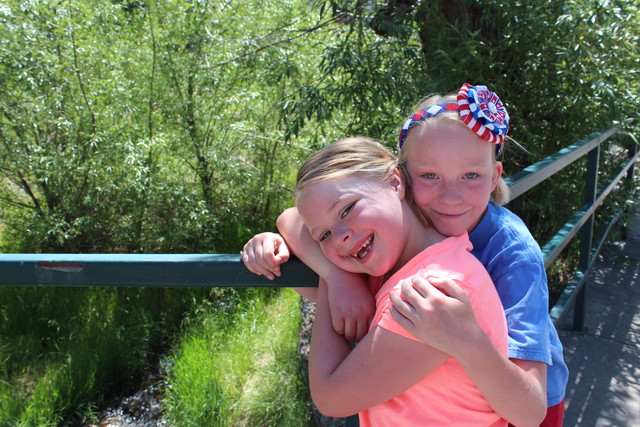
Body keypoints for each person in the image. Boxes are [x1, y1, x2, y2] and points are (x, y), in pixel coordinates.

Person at [242, 83, 564, 426]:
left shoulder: (509, 251)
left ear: (493, 178)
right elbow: (296, 218)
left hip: (526, 390)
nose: (450, 197)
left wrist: (469, 341)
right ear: (403, 179)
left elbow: (531, 406)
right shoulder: (393, 241)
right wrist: (338, 277)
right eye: (430, 176)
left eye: (471, 175)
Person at [288, 136, 510, 426]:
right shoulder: (395, 266)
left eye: (346, 209)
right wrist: (338, 275)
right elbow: (291, 220)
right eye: (324, 236)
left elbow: (330, 398)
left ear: (394, 183)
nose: (340, 236)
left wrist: (331, 275)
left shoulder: (428, 292)